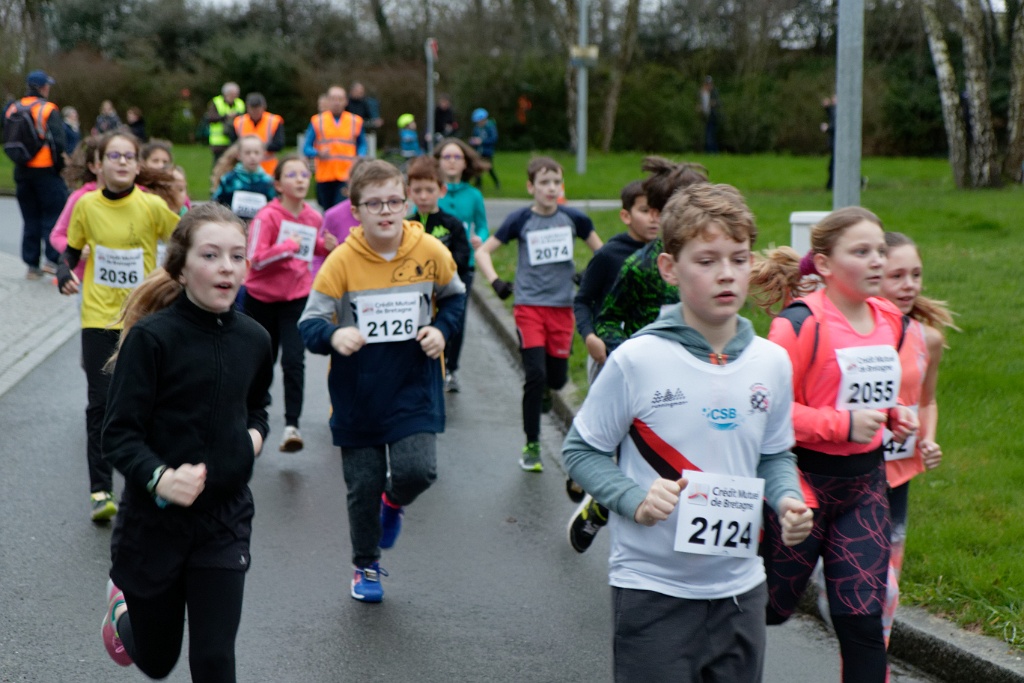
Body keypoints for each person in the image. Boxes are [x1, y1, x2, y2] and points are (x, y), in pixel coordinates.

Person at [562, 182, 813, 682]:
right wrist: (634, 499)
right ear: (669, 268)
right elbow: (581, 450)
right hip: (652, 590)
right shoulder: (637, 359)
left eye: (738, 259)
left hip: (741, 592)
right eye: (706, 260)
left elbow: (774, 454)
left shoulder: (772, 362)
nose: (726, 273)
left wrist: (786, 498)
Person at [98, 202, 274, 680]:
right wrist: (160, 478)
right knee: (157, 661)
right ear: (180, 267)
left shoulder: (255, 339)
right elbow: (118, 433)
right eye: (211, 255)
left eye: (237, 256)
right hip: (154, 524)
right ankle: (122, 612)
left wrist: (253, 438)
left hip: (224, 520)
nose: (227, 267)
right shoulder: (152, 339)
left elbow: (258, 406)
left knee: (214, 657)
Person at [749, 207, 919, 683]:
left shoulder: (890, 320)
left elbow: (874, 395)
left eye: (880, 250)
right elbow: (767, 412)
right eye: (861, 252)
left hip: (863, 489)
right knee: (772, 607)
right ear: (824, 264)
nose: (877, 261)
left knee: (862, 622)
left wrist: (895, 414)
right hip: (799, 487)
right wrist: (842, 425)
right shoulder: (798, 324)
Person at [298, 160, 466, 603]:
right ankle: (366, 565)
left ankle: (393, 503)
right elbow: (309, 323)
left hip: (415, 383)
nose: (386, 211)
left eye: (394, 201)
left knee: (418, 471)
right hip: (358, 393)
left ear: (407, 203)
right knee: (362, 486)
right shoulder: (341, 262)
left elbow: (455, 298)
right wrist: (334, 335)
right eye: (374, 204)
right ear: (356, 211)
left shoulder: (430, 250)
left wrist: (441, 330)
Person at [56, 131, 181, 521]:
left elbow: (184, 242)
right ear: (99, 164)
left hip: (141, 317)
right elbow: (71, 250)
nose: (123, 161)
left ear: (138, 165)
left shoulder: (151, 206)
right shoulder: (86, 205)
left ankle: (150, 480)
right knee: (101, 403)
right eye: (115, 155)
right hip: (97, 317)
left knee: (147, 402)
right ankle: (100, 490)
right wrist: (63, 271)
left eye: (129, 156)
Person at [475, 156, 603, 472]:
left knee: (557, 378)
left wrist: (589, 274)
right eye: (544, 182)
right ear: (531, 187)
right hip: (528, 307)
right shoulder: (520, 220)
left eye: (556, 182)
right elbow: (483, 251)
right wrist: (495, 281)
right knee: (535, 375)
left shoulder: (574, 218)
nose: (551, 188)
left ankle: (548, 388)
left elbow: (604, 254)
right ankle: (532, 444)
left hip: (562, 308)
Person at [877, 231, 955, 646]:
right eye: (897, 276)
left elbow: (927, 401)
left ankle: (872, 663)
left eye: (916, 274)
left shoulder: (928, 339)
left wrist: (929, 440)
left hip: (897, 477)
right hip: (846, 474)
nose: (909, 285)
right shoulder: (849, 335)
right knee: (843, 593)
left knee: (887, 591)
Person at [244, 154, 335, 453]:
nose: (300, 180)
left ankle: (292, 426)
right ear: (278, 184)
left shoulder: (313, 217)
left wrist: (325, 246)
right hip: (261, 299)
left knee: (294, 361)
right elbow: (254, 259)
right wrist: (287, 247)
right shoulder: (267, 216)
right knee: (261, 362)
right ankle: (249, 418)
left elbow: (309, 249)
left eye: (304, 175)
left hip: (296, 298)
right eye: (292, 175)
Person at [592, 158, 708, 359]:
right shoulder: (639, 267)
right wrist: (631, 356)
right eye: (685, 212)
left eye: (701, 210)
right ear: (657, 214)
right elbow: (608, 321)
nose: (695, 218)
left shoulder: (714, 261)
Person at [573, 180, 659, 385]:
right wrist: (590, 337)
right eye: (645, 211)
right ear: (626, 216)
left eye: (658, 211)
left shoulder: (666, 256)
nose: (653, 218)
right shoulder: (608, 255)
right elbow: (583, 300)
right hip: (610, 354)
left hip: (653, 355)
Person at [434, 138, 489, 392]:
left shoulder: (474, 195)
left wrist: (481, 239)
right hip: (433, 265)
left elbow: (483, 226)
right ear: (438, 162)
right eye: (447, 157)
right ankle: (433, 364)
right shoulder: (432, 191)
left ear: (465, 163)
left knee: (457, 318)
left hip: (463, 265)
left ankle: (451, 368)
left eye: (457, 157)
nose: (452, 162)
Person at [5, 70, 68, 279]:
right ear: (42, 88)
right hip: (45, 170)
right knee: (52, 216)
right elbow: (58, 143)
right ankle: (52, 259)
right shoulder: (48, 109)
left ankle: (32, 265)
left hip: (21, 170)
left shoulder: (13, 108)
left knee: (30, 217)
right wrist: (59, 167)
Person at [406, 155, 470, 300]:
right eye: (417, 191)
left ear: (442, 191)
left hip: (446, 291)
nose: (423, 196)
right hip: (415, 292)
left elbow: (462, 259)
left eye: (430, 190)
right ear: (409, 192)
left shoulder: (453, 224)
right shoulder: (406, 226)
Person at [302, 85, 366, 210]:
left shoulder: (355, 121)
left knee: (340, 208)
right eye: (333, 99)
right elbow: (306, 147)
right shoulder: (317, 121)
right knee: (326, 210)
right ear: (327, 100)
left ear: (346, 101)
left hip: (346, 175)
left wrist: (360, 156)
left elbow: (362, 144)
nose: (336, 103)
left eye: (340, 99)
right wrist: (318, 153)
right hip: (324, 175)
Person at [212, 135, 276, 222]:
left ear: (263, 154)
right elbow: (216, 204)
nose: (252, 156)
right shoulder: (229, 180)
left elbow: (274, 207)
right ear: (239, 155)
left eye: (256, 153)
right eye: (247, 153)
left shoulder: (268, 182)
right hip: (232, 225)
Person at [228, 92, 284, 176]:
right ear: (247, 108)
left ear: (264, 107)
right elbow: (233, 144)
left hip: (268, 168)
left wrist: (257, 148)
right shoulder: (239, 122)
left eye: (257, 108)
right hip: (245, 168)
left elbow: (279, 144)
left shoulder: (274, 121)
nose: (255, 112)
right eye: (252, 108)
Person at [205, 82, 245, 162]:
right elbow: (210, 118)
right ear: (225, 94)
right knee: (219, 163)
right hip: (219, 142)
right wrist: (226, 116)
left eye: (235, 94)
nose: (233, 97)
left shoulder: (240, 103)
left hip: (235, 140)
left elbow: (244, 118)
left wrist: (236, 116)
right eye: (231, 94)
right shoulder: (216, 102)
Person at [345, 81, 382, 158]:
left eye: (362, 92)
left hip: (361, 131)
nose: (361, 94)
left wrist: (375, 121)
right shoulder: (346, 103)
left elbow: (369, 116)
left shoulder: (365, 103)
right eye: (359, 91)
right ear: (352, 91)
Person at [469, 108, 499, 190]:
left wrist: (482, 141)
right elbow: (474, 137)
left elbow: (494, 139)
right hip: (478, 151)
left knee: (489, 168)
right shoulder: (477, 128)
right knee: (477, 167)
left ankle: (497, 183)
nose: (478, 123)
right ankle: (478, 185)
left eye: (479, 121)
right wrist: (473, 141)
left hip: (487, 151)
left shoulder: (490, 127)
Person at [699, 76, 720, 154]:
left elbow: (718, 103)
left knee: (711, 135)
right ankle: (710, 151)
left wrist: (713, 103)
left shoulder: (714, 93)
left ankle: (712, 151)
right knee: (708, 135)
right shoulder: (702, 93)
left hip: (712, 117)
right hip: (704, 117)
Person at [822, 94, 837, 191]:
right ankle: (830, 185)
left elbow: (836, 126)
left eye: (835, 97)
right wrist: (827, 108)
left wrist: (827, 128)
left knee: (833, 166)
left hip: (837, 144)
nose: (832, 99)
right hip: (834, 144)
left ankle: (830, 185)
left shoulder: (840, 111)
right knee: (833, 166)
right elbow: (832, 114)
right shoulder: (836, 110)